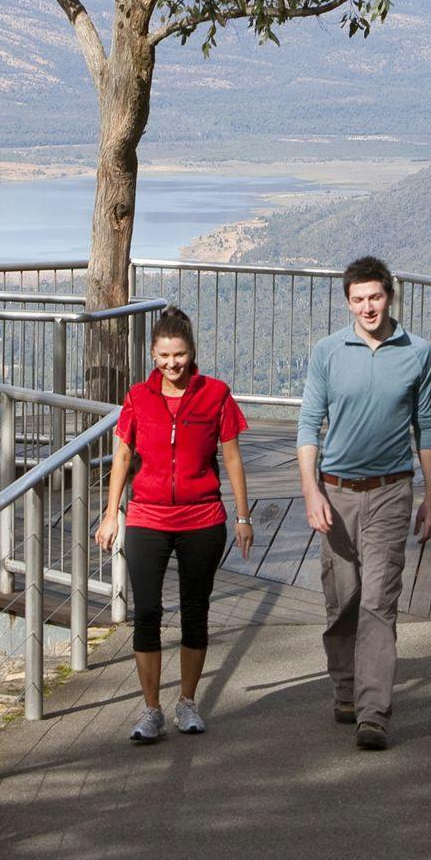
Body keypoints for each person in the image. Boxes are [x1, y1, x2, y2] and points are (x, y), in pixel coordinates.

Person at [296, 255, 431, 750]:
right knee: (344, 599)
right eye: (358, 299)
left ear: (390, 296)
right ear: (348, 303)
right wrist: (311, 490)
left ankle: (374, 712)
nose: (368, 307)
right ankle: (346, 688)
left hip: (391, 491)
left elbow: (426, 428)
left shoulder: (418, 352)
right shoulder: (328, 351)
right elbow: (308, 424)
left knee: (379, 601)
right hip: (336, 493)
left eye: (375, 297)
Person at [94, 306, 253, 743]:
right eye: (164, 356)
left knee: (194, 611)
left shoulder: (216, 394)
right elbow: (123, 455)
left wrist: (243, 516)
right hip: (147, 517)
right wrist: (110, 513)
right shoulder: (137, 397)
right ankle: (151, 710)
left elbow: (232, 457)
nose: (172, 364)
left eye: (179, 355)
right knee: (146, 612)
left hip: (203, 519)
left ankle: (187, 702)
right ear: (152, 354)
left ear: (192, 352)